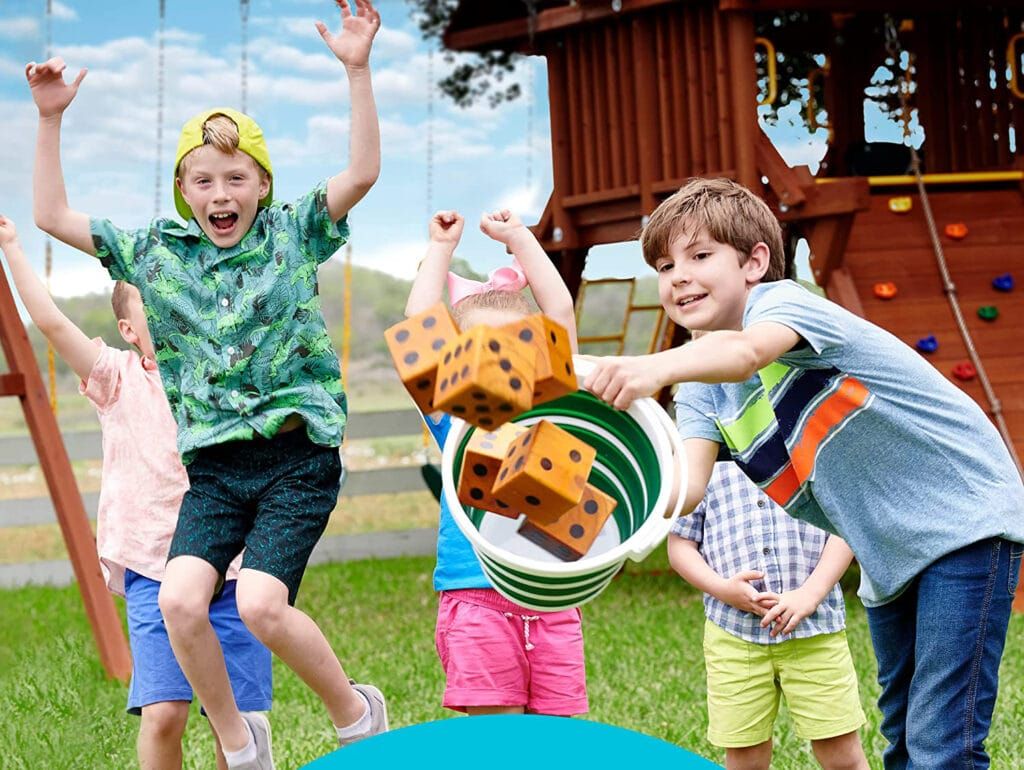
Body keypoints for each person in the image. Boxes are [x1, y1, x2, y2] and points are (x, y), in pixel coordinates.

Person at [27, 2, 387, 766]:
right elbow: (51, 213)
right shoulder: (156, 256)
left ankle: (356, 711)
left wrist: (357, 71)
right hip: (216, 472)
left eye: (236, 179)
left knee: (258, 601)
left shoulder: (294, 232)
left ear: (261, 185)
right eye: (203, 180)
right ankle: (238, 738)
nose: (220, 193)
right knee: (177, 599)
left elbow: (361, 173)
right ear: (184, 190)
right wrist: (51, 118)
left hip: (296, 458)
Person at [583, 176, 1024, 769]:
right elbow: (684, 492)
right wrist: (598, 493)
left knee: (942, 738)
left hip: (963, 520)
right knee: (901, 733)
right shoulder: (699, 386)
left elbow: (742, 354)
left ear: (755, 262)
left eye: (700, 255)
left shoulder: (783, 305)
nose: (678, 276)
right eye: (664, 266)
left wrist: (641, 367)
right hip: (888, 550)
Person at [0, 214, 273, 770]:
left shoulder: (225, 378)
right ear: (130, 329)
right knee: (164, 714)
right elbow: (50, 322)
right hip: (154, 568)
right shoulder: (118, 379)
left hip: (233, 569)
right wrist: (11, 248)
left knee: (239, 724)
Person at [404, 208, 589, 717]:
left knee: (558, 742)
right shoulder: (455, 416)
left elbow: (561, 313)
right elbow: (418, 323)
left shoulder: (555, 408)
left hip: (552, 596)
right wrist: (440, 250)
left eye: (515, 347)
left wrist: (520, 240)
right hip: (475, 595)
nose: (500, 361)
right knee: (498, 744)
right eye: (482, 350)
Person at [668, 457, 867, 770]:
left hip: (815, 632)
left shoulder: (810, 448)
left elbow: (845, 529)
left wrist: (810, 594)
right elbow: (679, 544)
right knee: (745, 759)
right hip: (734, 637)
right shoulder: (704, 461)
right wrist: (721, 588)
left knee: (841, 754)